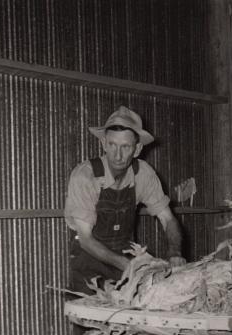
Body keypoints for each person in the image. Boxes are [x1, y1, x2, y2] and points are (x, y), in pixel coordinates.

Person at [64, 106, 186, 302]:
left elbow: (168, 219)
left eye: (125, 147)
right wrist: (130, 265)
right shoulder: (86, 175)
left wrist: (175, 252)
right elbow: (85, 239)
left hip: (125, 256)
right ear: (103, 143)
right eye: (112, 145)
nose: (117, 155)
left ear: (137, 149)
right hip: (89, 262)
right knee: (91, 326)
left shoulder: (143, 174)